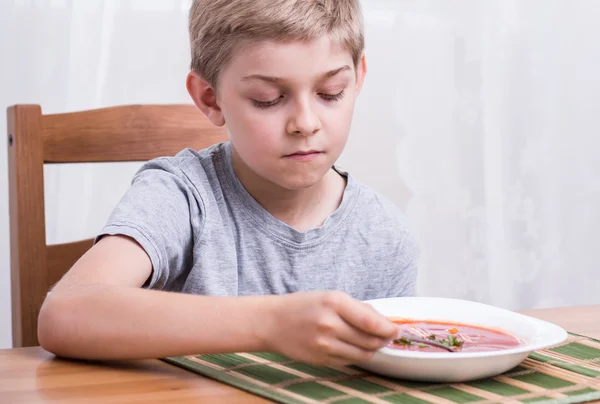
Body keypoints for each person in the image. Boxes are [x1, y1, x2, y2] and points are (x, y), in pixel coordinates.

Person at [37, 0, 419, 367]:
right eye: (268, 99)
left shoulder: (385, 234)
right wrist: (272, 323)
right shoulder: (183, 196)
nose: (305, 122)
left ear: (357, 81)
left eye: (330, 93)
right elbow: (65, 313)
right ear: (210, 98)